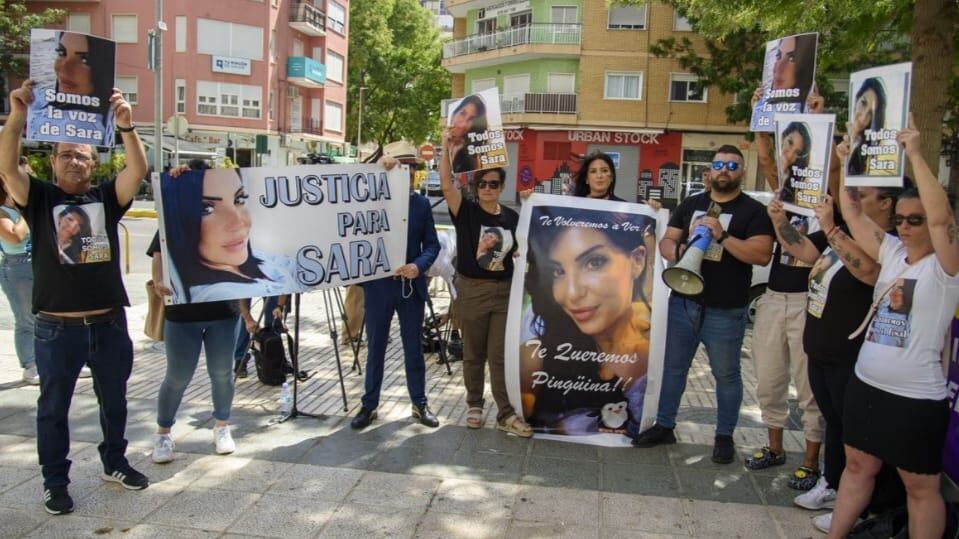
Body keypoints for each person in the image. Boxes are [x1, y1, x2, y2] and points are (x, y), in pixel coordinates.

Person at [0, 79, 150, 514]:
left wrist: (126, 126)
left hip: (107, 326)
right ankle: (54, 481)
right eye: (65, 155)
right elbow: (8, 169)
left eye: (81, 155)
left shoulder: (105, 197)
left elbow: (137, 172)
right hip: (55, 330)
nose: (73, 161)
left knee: (116, 402)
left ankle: (115, 461)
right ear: (53, 162)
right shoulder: (39, 198)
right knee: (52, 408)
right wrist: (17, 117)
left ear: (92, 163)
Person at [828, 115, 957, 539]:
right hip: (866, 385)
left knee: (920, 489)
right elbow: (851, 210)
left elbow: (941, 222)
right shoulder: (894, 251)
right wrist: (845, 161)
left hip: (915, 397)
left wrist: (915, 153)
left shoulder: (946, 267)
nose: (904, 224)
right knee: (858, 468)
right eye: (900, 217)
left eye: (914, 219)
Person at [633, 145, 774, 464]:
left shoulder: (753, 211)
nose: (725, 170)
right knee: (673, 369)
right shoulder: (692, 204)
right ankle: (665, 425)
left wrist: (721, 237)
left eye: (732, 165)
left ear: (741, 172)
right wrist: (683, 248)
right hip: (684, 302)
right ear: (709, 172)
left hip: (726, 309)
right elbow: (667, 242)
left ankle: (723, 436)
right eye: (720, 164)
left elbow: (762, 254)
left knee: (726, 375)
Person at [743, 90, 825, 489]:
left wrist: (819, 117)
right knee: (769, 379)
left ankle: (811, 461)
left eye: (799, 148)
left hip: (811, 303)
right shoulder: (783, 194)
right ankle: (774, 447)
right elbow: (763, 158)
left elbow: (806, 252)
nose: (791, 156)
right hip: (774, 299)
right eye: (788, 148)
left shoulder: (829, 202)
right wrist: (761, 111)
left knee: (808, 387)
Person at [520, 205, 654, 436]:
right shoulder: (535, 360)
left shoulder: (659, 349)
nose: (571, 294)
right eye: (557, 272)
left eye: (594, 262)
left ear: (637, 260)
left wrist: (653, 215)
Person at [440, 128, 533, 437]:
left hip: (504, 293)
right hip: (471, 290)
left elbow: (523, 248)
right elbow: (445, 182)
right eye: (483, 184)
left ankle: (505, 412)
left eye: (494, 183)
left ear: (501, 186)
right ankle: (475, 405)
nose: (488, 188)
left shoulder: (511, 217)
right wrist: (446, 146)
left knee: (499, 356)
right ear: (476, 186)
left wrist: (532, 206)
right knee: (473, 353)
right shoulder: (464, 211)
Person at [351, 140, 440, 429]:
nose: (408, 171)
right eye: (402, 165)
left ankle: (419, 403)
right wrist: (377, 170)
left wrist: (419, 265)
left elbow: (432, 245)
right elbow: (348, 195)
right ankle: (369, 405)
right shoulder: (373, 199)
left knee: (413, 347)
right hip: (378, 287)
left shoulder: (421, 204)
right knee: (375, 346)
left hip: (409, 287)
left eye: (412, 166)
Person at [159, 167, 303, 304]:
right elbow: (159, 249)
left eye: (239, 200)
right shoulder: (216, 293)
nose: (238, 222)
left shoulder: (260, 260)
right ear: (180, 221)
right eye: (206, 208)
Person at [26, 31, 115, 146]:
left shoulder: (90, 127)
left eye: (84, 59)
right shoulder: (38, 98)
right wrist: (17, 115)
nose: (64, 68)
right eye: (62, 52)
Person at [0, 178, 36, 384]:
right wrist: (26, 211)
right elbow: (15, 236)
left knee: (44, 317)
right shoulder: (4, 211)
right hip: (16, 266)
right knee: (26, 319)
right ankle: (30, 364)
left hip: (37, 262)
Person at [847, 77, 887, 176]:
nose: (863, 117)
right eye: (863, 103)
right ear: (857, 99)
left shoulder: (870, 150)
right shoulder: (844, 141)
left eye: (870, 113)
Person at [767, 34, 816, 108]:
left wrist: (816, 116)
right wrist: (756, 109)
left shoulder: (807, 110)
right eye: (779, 56)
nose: (778, 67)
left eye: (792, 58)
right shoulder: (769, 105)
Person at [447, 95, 487, 173]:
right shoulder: (445, 144)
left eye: (471, 119)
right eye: (462, 113)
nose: (464, 124)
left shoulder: (469, 160)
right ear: (454, 114)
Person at [776, 121, 812, 205]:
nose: (790, 154)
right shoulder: (771, 165)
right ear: (783, 137)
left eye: (797, 153)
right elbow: (765, 158)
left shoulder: (795, 183)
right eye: (790, 143)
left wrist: (784, 177)